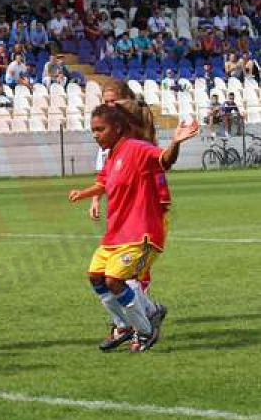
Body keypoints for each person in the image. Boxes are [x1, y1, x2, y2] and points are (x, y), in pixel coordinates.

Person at [69, 105, 198, 352]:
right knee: (95, 277)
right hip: (115, 235)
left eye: (100, 129)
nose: (95, 135)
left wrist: (176, 142)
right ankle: (125, 324)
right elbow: (104, 182)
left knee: (115, 280)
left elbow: (164, 160)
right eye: (93, 130)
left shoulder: (137, 148)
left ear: (117, 128)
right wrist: (84, 193)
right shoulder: (112, 155)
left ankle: (146, 330)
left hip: (141, 234)